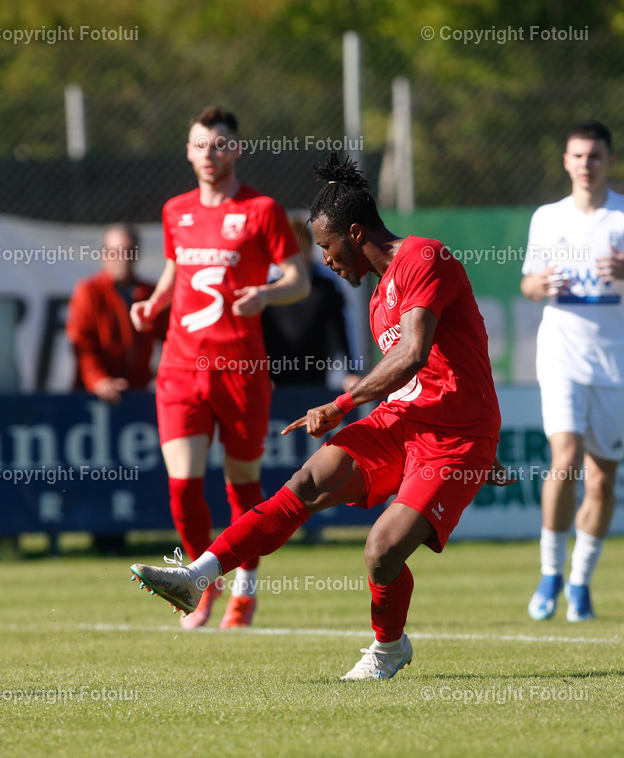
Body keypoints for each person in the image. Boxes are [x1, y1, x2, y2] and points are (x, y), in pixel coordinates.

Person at [130, 153, 512, 680]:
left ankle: (388, 647)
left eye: (328, 248)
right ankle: (198, 575)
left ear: (355, 234)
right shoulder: (379, 298)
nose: (326, 260)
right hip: (405, 420)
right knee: (306, 481)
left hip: (457, 437)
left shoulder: (425, 257)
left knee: (381, 551)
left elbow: (414, 356)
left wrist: (339, 405)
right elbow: (422, 376)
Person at [130, 106, 311, 630]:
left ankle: (246, 591)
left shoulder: (261, 210)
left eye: (220, 144)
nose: (210, 154)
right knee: (183, 485)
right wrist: (154, 305)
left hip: (240, 368)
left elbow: (298, 279)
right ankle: (199, 584)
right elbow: (174, 270)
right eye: (200, 145)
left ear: (236, 149)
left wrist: (268, 294)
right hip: (181, 367)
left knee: (243, 485)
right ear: (188, 151)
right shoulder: (175, 211)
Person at [521, 120, 624, 622]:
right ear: (566, 162)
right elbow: (527, 285)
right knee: (564, 460)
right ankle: (549, 576)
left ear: (610, 161)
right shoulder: (546, 218)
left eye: (596, 156)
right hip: (561, 353)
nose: (587, 165)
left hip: (613, 359)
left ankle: (581, 581)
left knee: (603, 482)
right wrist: (539, 285)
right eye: (578, 156)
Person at [66, 224, 167, 404]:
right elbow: (81, 344)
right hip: (92, 397)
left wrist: (167, 376)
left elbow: (171, 338)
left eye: (128, 251)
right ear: (104, 254)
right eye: (115, 251)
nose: (123, 258)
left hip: (138, 395)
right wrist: (99, 381)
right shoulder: (89, 291)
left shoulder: (151, 293)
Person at [262, 214, 363, 389]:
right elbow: (260, 334)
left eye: (302, 248)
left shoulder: (326, 287)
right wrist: (261, 376)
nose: (298, 255)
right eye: (291, 250)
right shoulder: (268, 289)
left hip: (316, 378)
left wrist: (350, 371)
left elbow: (338, 330)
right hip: (275, 382)